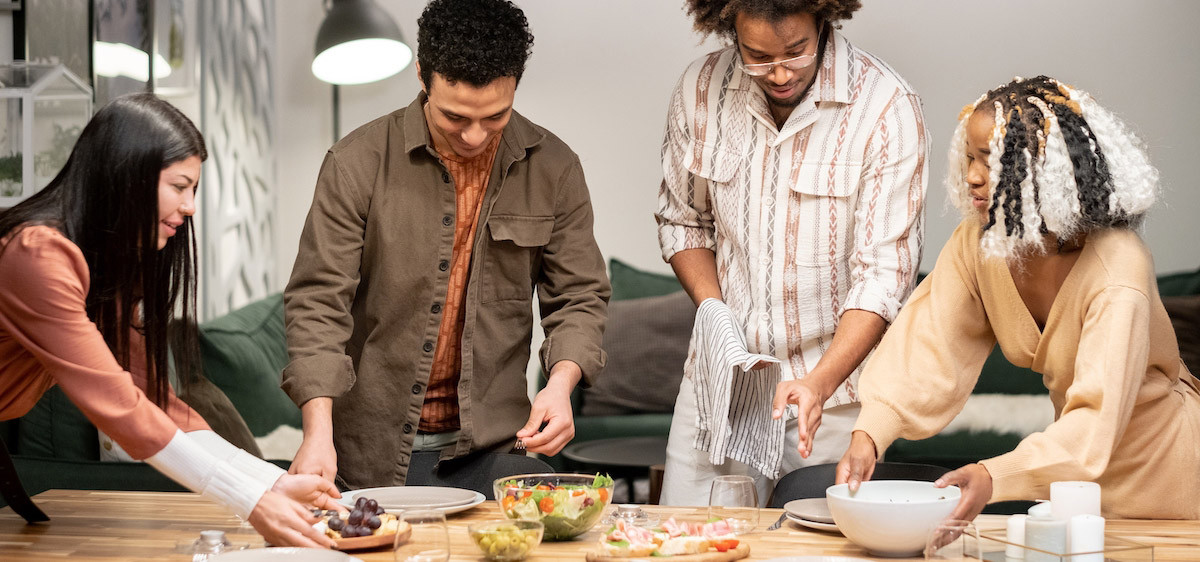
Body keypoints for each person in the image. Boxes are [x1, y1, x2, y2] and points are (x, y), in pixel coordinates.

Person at [837, 75, 1200, 520]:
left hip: (1161, 479)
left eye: (991, 161)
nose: (971, 176)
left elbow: (1097, 419)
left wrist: (994, 475)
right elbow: (930, 343)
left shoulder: (1118, 269)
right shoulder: (984, 242)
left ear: (1046, 168)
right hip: (1069, 475)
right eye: (969, 157)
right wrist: (870, 433)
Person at [283, 0, 609, 489]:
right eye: (455, 117)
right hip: (367, 450)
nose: (475, 136)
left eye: (496, 117)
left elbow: (579, 296)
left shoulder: (555, 169)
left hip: (493, 446)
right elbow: (317, 303)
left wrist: (561, 383)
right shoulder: (356, 162)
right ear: (421, 75)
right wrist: (317, 434)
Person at [0, 93, 342, 547]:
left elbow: (156, 402)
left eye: (194, 190)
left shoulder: (100, 266)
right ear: (126, 178)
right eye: (179, 186)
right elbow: (121, 406)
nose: (190, 207)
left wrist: (269, 484)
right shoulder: (37, 256)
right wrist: (252, 501)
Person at [656, 0, 928, 506]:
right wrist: (714, 313)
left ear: (824, 22)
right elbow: (682, 220)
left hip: (837, 399)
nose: (778, 73)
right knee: (691, 544)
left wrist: (819, 384)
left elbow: (885, 275)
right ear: (729, 29)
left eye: (796, 52)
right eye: (756, 55)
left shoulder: (886, 106)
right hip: (722, 387)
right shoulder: (699, 90)